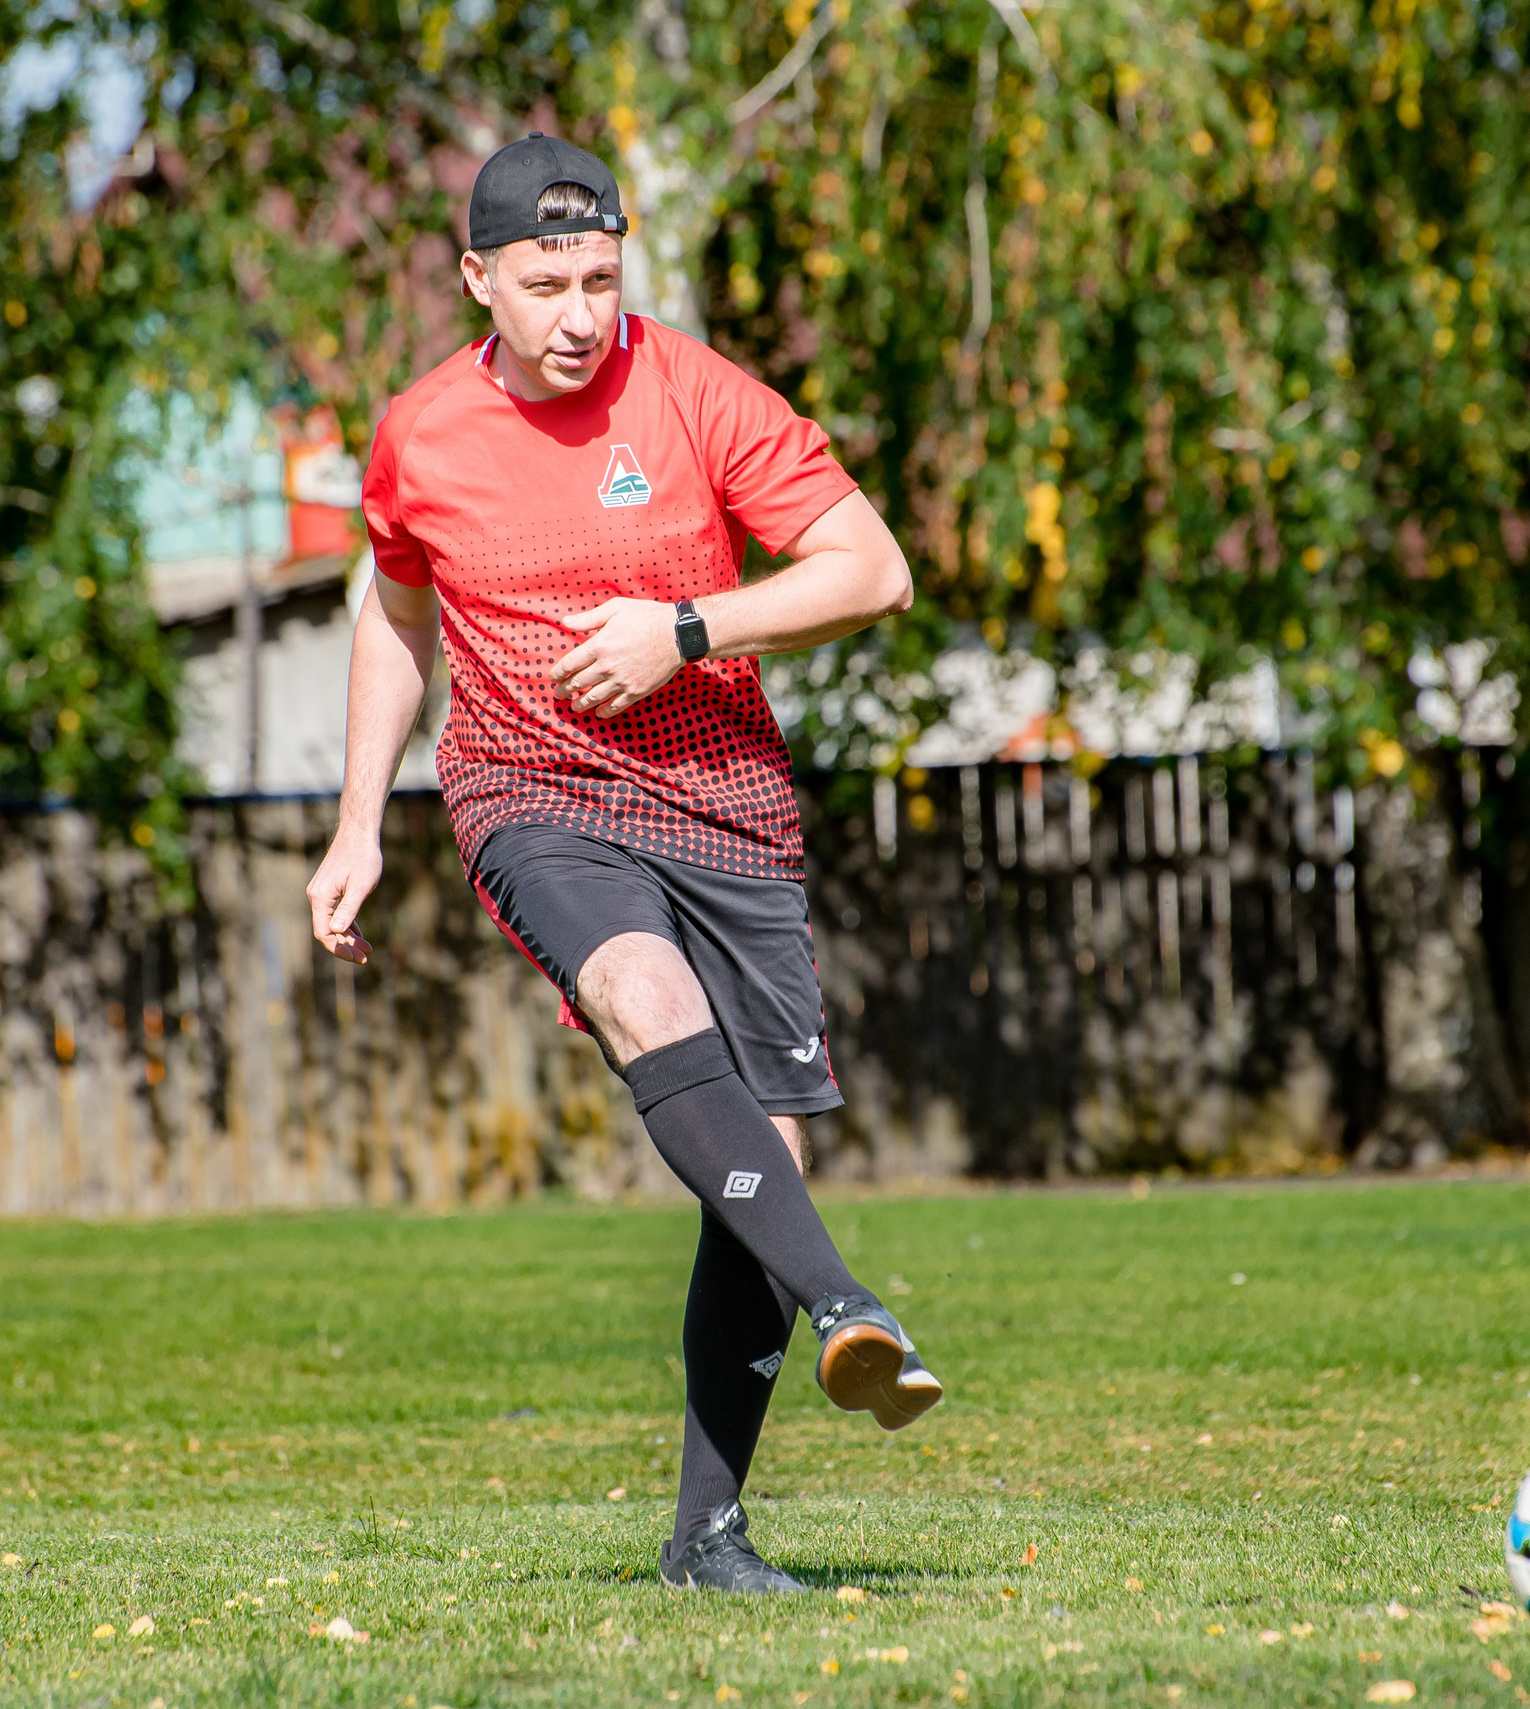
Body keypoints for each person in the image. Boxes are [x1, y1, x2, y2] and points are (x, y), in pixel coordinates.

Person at [303, 133, 939, 1594]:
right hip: (529, 789)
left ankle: (706, 1537)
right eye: (547, 285)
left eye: (601, 278)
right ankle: (847, 1300)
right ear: (480, 280)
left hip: (725, 801)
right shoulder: (420, 436)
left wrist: (688, 629)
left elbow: (875, 570)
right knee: (642, 993)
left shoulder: (696, 389)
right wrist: (357, 822)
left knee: (763, 1167)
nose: (582, 314)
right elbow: (396, 616)